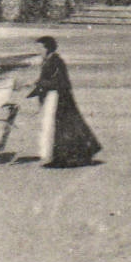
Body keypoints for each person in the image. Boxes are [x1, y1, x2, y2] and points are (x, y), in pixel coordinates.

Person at [25, 35, 101, 168]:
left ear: (48, 48)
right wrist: (36, 83)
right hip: (55, 97)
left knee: (60, 128)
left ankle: (61, 158)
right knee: (63, 127)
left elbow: (59, 81)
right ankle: (63, 156)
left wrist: (39, 83)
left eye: (40, 47)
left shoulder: (56, 61)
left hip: (59, 98)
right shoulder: (49, 60)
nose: (38, 50)